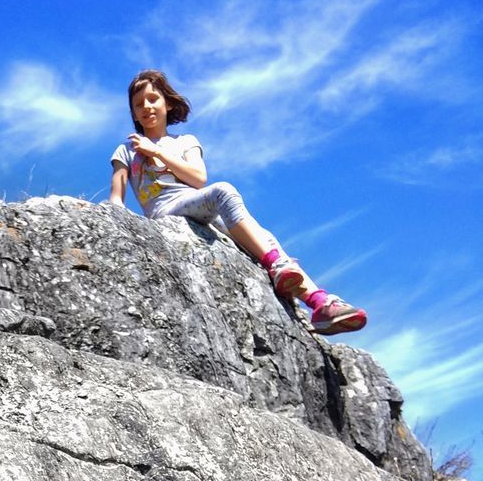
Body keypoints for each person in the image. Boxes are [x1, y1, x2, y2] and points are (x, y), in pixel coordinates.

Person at [108, 69, 367, 336]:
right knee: (223, 192)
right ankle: (279, 267)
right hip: (166, 210)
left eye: (153, 99)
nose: (146, 107)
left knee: (264, 238)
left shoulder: (186, 142)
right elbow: (117, 198)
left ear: (169, 103)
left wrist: (158, 151)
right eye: (138, 104)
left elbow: (197, 178)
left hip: (197, 203)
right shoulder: (126, 150)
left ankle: (320, 303)